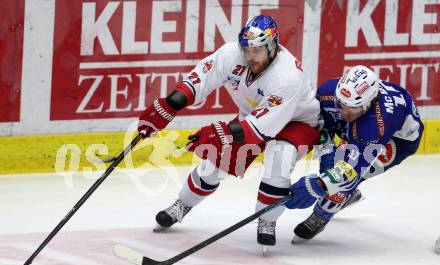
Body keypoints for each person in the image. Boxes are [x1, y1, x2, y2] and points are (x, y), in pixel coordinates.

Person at [137, 15, 322, 252]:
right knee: (214, 163)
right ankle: (182, 204)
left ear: (272, 46)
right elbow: (201, 78)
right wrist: (172, 103)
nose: (249, 56)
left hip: (298, 123)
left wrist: (224, 132)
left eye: (256, 51)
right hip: (254, 118)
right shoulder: (231, 54)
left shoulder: (287, 77)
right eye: (246, 49)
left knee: (279, 159)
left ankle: (267, 219)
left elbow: (260, 130)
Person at [285, 65, 424, 242]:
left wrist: (319, 184)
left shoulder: (377, 124)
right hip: (360, 128)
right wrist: (327, 154)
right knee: (334, 171)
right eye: (341, 104)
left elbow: (352, 169)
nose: (344, 112)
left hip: (397, 141)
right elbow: (322, 127)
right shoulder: (330, 92)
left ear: (368, 104)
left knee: (346, 177)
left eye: (352, 107)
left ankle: (322, 215)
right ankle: (343, 196)